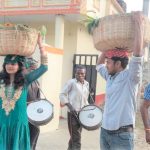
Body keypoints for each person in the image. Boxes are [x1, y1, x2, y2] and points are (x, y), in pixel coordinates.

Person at [96, 12, 144, 150]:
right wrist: (107, 46)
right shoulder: (110, 76)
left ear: (118, 64)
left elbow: (137, 56)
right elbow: (98, 65)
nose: (106, 65)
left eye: (109, 62)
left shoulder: (131, 77)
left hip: (122, 136)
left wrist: (138, 24)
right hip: (105, 132)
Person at [0, 34, 48, 150]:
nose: (10, 66)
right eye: (7, 63)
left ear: (19, 65)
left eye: (13, 63)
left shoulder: (25, 80)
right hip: (3, 124)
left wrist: (41, 46)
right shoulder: (0, 80)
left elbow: (44, 67)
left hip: (19, 124)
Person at [59, 65, 89, 150]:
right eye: (78, 73)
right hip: (73, 114)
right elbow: (62, 94)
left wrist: (88, 109)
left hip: (82, 114)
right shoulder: (71, 82)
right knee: (77, 138)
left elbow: (85, 99)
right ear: (75, 73)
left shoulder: (86, 84)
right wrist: (69, 106)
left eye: (82, 73)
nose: (80, 75)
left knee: (74, 136)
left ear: (85, 74)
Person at [24, 58, 41, 150]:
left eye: (36, 69)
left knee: (36, 131)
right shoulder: (21, 82)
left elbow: (38, 98)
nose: (35, 72)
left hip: (34, 115)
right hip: (23, 114)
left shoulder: (36, 82)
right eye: (33, 69)